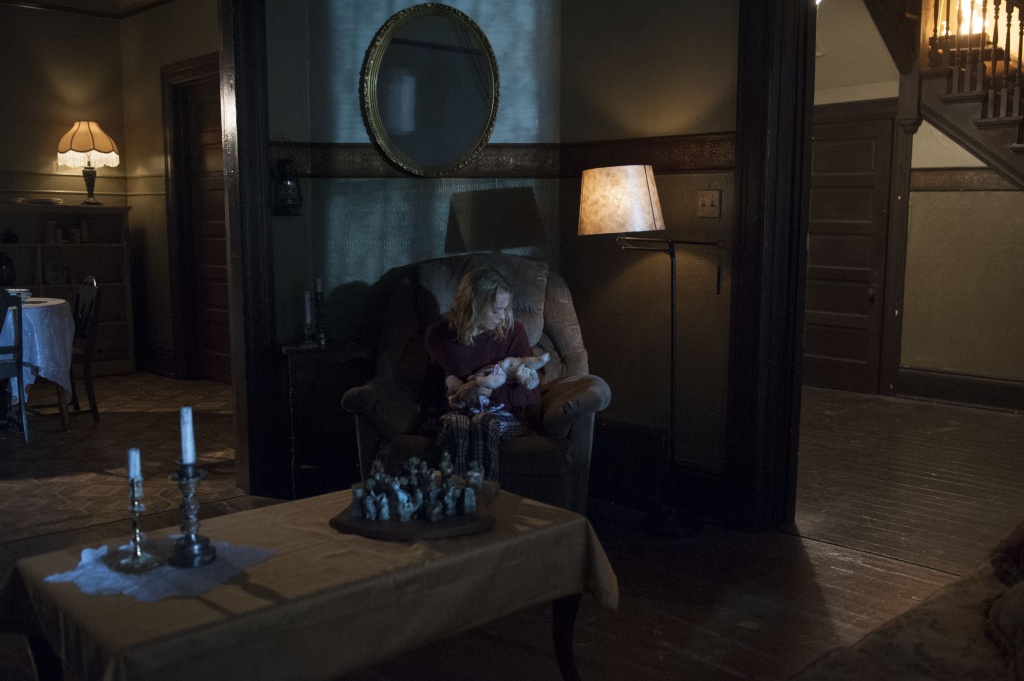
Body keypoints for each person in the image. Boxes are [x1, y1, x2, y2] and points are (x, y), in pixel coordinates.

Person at [425, 267, 540, 482]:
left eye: (505, 309)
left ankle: (484, 495)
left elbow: (532, 393)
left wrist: (490, 393)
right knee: (458, 426)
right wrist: (457, 395)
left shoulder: (514, 332)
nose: (502, 316)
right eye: (496, 310)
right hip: (457, 413)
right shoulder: (438, 336)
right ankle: (456, 495)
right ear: (474, 306)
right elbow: (430, 390)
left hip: (503, 414)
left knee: (483, 422)